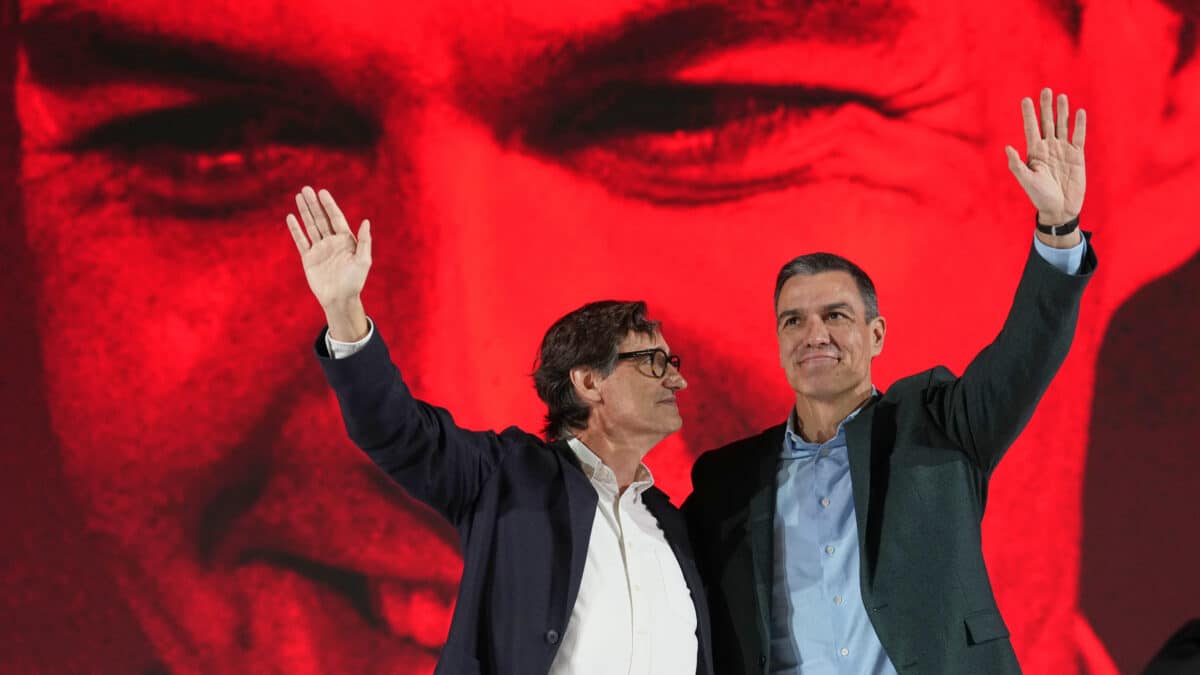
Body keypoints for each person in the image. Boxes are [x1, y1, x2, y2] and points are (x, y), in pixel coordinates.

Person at [8, 0, 1200, 672]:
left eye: (714, 117)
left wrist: (1055, 239)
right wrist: (347, 324)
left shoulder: (882, 451)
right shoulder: (592, 490)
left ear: (1161, 93)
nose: (478, 360)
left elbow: (1015, 371)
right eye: (205, 137)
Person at [684, 89, 1095, 674]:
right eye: (793, 320)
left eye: (836, 316)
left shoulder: (938, 427)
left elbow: (1023, 356)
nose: (814, 334)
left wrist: (1059, 231)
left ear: (876, 335)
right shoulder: (729, 482)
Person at [285, 187, 712, 674]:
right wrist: (344, 310)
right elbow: (396, 431)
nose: (676, 378)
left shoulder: (670, 525)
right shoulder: (505, 477)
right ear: (591, 381)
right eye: (654, 362)